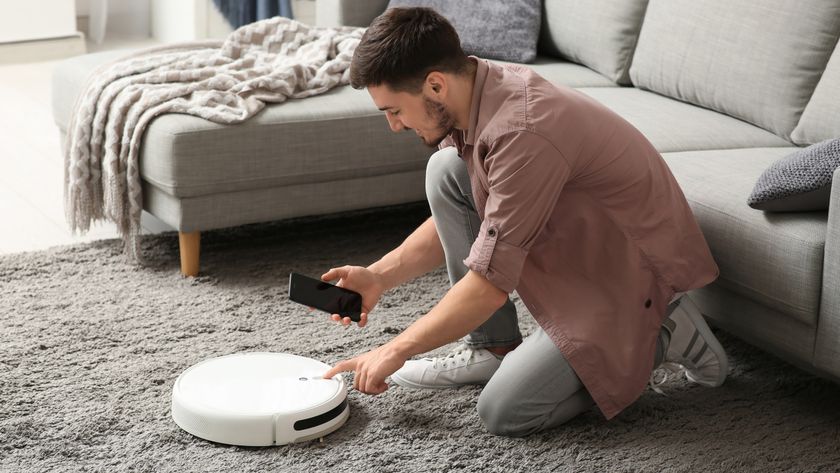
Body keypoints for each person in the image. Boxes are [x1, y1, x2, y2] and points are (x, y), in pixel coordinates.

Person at [321, 7, 727, 437]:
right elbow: (480, 211)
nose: (394, 126)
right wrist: (379, 276)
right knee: (447, 170)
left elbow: (489, 286)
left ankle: (662, 331)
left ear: (435, 85)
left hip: (629, 273)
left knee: (506, 410)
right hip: (583, 243)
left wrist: (395, 349)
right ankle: (492, 348)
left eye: (394, 111)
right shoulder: (476, 89)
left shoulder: (521, 131)